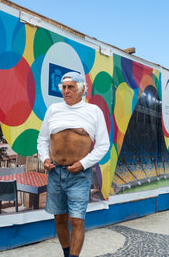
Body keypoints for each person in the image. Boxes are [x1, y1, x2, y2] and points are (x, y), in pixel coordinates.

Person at [37, 71, 110, 257]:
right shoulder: (53, 110)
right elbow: (43, 140)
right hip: (55, 173)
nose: (66, 91)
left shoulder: (93, 111)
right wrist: (45, 158)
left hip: (79, 175)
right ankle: (67, 253)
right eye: (64, 87)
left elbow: (103, 146)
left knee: (77, 220)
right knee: (59, 219)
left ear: (82, 89)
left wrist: (83, 164)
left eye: (71, 87)